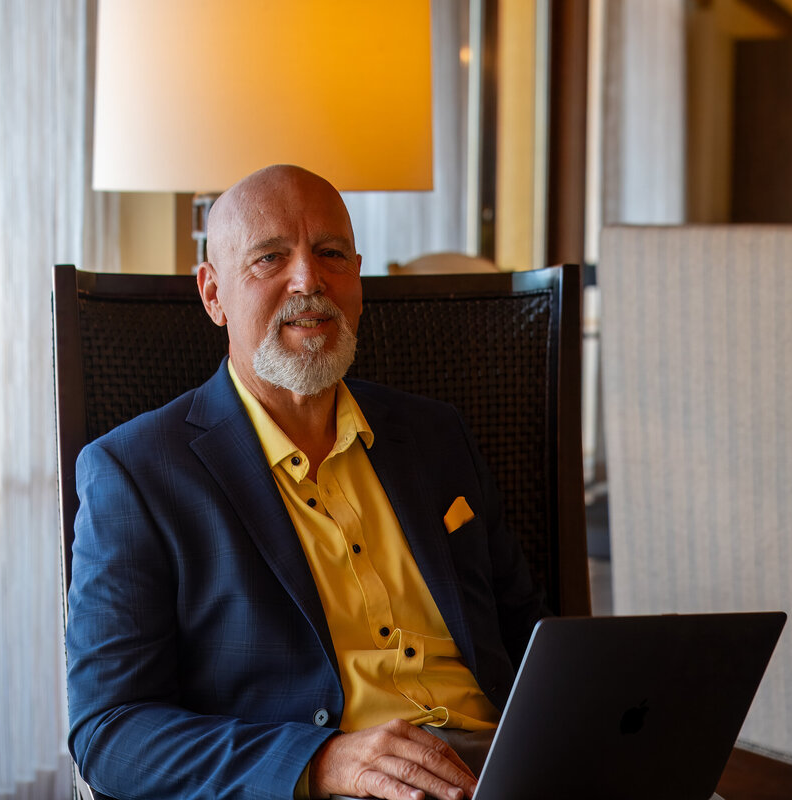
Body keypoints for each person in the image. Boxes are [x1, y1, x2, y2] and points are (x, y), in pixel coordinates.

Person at [66, 165, 547, 800]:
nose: (308, 280)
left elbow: (535, 633)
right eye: (270, 258)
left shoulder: (435, 436)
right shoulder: (136, 472)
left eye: (331, 254)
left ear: (358, 280)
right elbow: (110, 731)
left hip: (512, 766)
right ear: (213, 295)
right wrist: (319, 762)